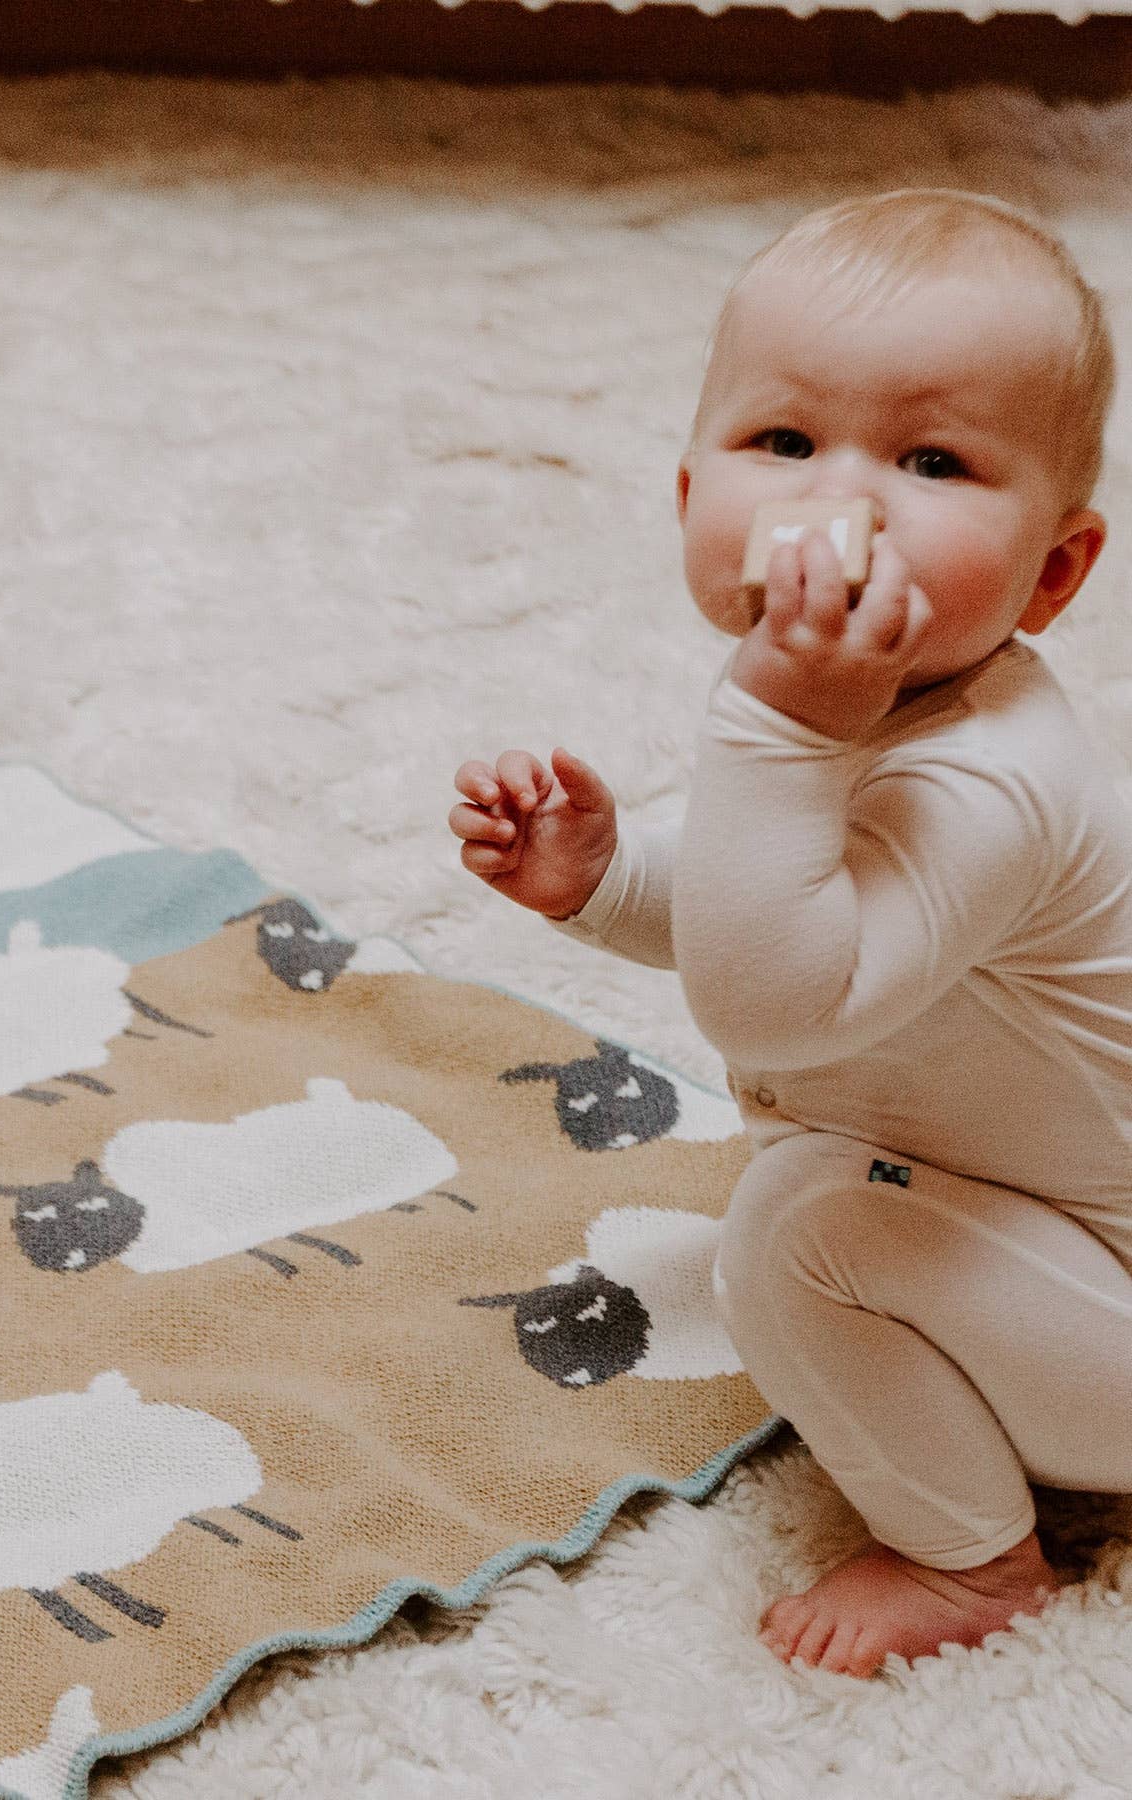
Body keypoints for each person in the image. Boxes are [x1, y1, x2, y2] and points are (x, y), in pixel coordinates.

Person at [448, 187, 1132, 1680]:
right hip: (1056, 1243)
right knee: (814, 1197)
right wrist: (606, 877)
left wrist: (776, 720)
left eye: (934, 459)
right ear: (691, 499)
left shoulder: (997, 778)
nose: (846, 503)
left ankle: (973, 1561)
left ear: (1054, 573)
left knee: (806, 1228)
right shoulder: (893, 722)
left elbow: (778, 1003)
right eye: (784, 444)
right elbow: (762, 886)